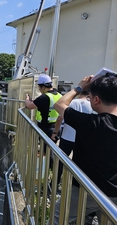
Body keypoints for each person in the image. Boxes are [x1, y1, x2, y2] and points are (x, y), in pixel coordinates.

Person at [50, 73, 117, 224]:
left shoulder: (90, 123)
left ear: (96, 99)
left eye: (89, 97)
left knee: (60, 217)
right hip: (114, 193)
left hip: (85, 189)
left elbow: (59, 105)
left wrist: (79, 87)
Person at [51, 91, 94, 188]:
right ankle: (77, 188)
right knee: (80, 166)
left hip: (67, 137)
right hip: (82, 140)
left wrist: (55, 132)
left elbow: (59, 119)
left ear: (79, 93)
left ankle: (54, 185)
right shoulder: (92, 105)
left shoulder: (72, 103)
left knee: (60, 163)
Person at [25, 74, 62, 153]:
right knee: (51, 150)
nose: (39, 89)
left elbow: (29, 106)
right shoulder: (59, 95)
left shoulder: (44, 97)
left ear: (43, 87)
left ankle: (50, 165)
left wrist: (27, 99)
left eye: (39, 87)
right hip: (57, 127)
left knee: (47, 151)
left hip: (46, 128)